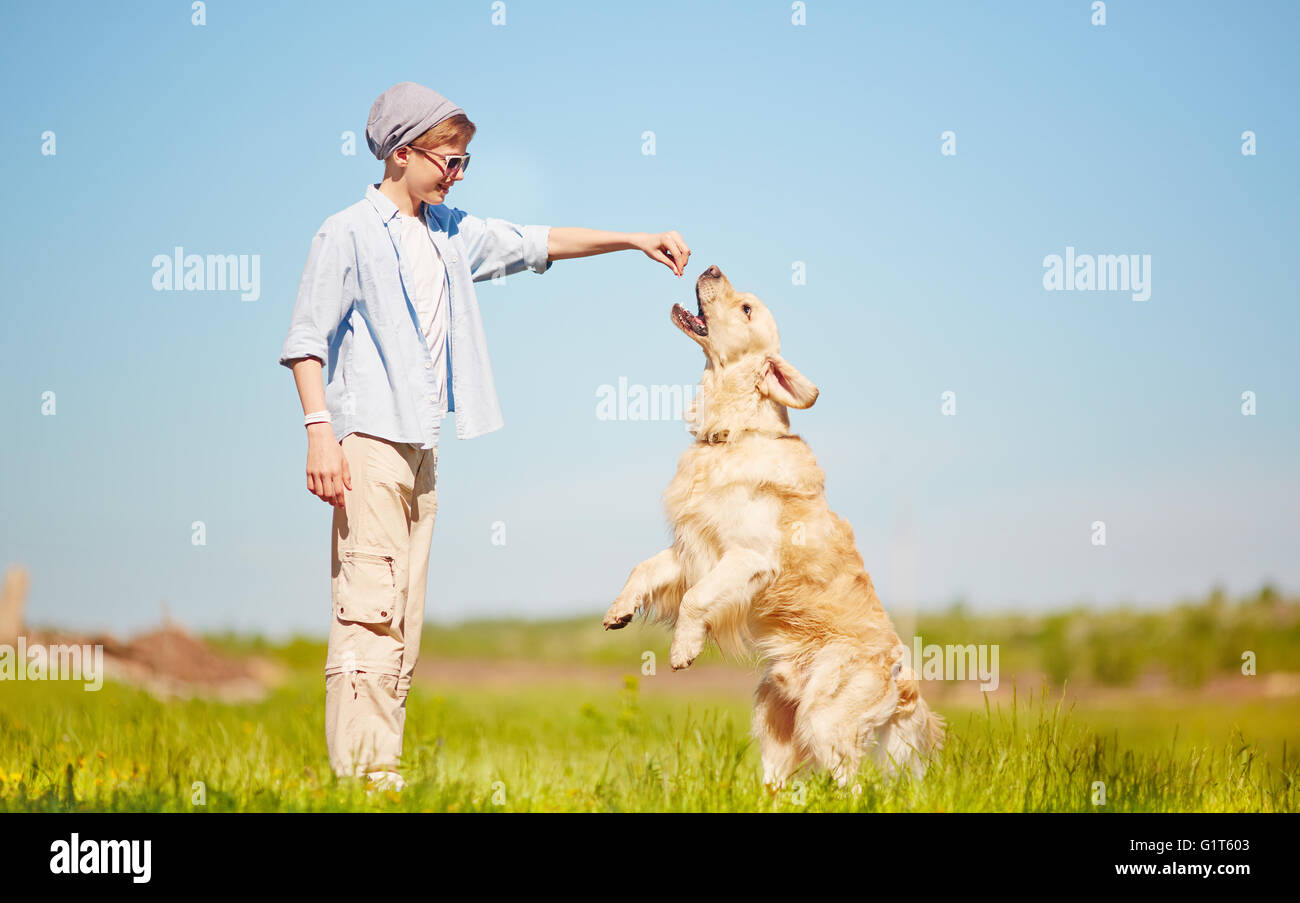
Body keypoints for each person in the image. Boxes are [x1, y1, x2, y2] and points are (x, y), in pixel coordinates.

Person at [278, 81, 690, 792]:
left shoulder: (449, 233)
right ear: (401, 153)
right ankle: (364, 777)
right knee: (367, 609)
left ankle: (384, 770)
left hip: (422, 449)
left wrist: (633, 238)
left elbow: (539, 242)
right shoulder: (345, 231)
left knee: (403, 611)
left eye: (465, 161)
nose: (458, 174)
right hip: (366, 443)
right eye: (450, 160)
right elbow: (306, 340)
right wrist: (321, 432)